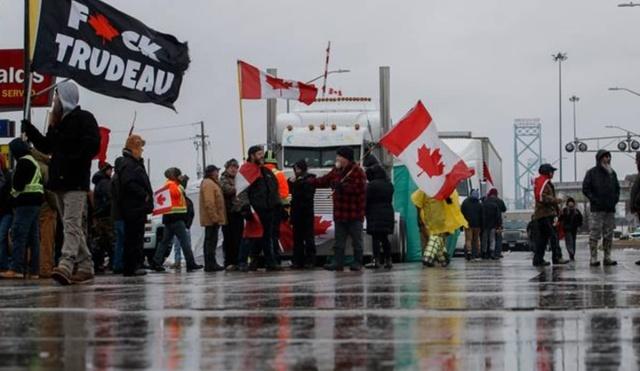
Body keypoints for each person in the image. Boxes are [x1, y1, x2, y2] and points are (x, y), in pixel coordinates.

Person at [21, 81, 101, 285]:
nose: (54, 100)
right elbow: (47, 147)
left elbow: (92, 146)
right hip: (58, 183)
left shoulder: (85, 118)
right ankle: (86, 266)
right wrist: (29, 130)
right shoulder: (56, 122)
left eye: (57, 96)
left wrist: (72, 158)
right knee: (71, 225)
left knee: (72, 224)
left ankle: (66, 263)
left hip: (75, 182)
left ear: (65, 97)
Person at [310, 146, 366, 271]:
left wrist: (342, 187)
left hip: (354, 214)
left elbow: (359, 189)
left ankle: (358, 262)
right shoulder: (336, 171)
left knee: (357, 241)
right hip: (340, 213)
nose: (337, 158)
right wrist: (309, 181)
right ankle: (338, 262)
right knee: (339, 241)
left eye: (339, 156)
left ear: (346, 158)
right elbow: (324, 180)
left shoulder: (357, 171)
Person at [0, 139, 43, 279]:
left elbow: (18, 186)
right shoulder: (33, 161)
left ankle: (16, 269)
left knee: (19, 235)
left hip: (25, 203)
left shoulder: (23, 162)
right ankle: (34, 270)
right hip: (36, 203)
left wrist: (12, 198)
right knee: (34, 237)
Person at [113, 135, 153, 276]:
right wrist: (144, 194)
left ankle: (135, 264)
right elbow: (129, 183)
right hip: (133, 207)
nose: (142, 149)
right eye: (140, 146)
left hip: (135, 207)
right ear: (134, 147)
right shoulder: (129, 164)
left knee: (135, 237)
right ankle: (132, 266)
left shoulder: (131, 163)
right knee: (133, 238)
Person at [151, 168, 202, 272]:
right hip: (176, 218)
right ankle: (191, 263)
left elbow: (181, 189)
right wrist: (181, 182)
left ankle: (156, 262)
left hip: (169, 219)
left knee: (164, 242)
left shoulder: (170, 184)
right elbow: (178, 193)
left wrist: (183, 181)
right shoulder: (172, 185)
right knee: (185, 242)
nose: (181, 176)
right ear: (175, 176)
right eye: (179, 175)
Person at [245, 146, 282, 271]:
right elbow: (243, 191)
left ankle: (269, 262)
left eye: (262, 154)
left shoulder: (266, 171)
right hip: (256, 209)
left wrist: (278, 205)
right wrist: (246, 208)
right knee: (255, 237)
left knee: (267, 236)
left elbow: (274, 187)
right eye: (259, 154)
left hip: (269, 209)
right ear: (252, 155)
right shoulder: (247, 171)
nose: (262, 156)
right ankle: (253, 261)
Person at [582, 149, 620, 267]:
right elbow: (586, 188)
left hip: (610, 208)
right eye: (605, 157)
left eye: (609, 157)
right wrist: (594, 199)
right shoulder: (591, 173)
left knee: (608, 233)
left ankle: (607, 256)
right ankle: (593, 257)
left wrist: (615, 200)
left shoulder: (612, 173)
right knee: (595, 233)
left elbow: (617, 188)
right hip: (597, 209)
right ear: (599, 159)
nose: (607, 159)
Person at [532, 164, 568, 266]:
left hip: (543, 214)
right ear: (547, 172)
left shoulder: (542, 182)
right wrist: (556, 200)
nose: (553, 173)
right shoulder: (543, 182)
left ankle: (538, 260)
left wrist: (557, 210)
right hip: (545, 214)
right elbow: (541, 197)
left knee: (543, 239)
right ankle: (557, 257)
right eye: (552, 171)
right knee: (553, 236)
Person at [364, 164, 395, 269]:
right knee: (385, 238)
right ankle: (388, 260)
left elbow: (366, 200)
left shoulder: (371, 185)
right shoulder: (389, 185)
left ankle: (376, 260)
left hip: (374, 213)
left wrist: (365, 212)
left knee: (376, 238)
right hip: (388, 212)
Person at [288, 160, 316, 269]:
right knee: (297, 239)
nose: (296, 171)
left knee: (308, 238)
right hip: (296, 213)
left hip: (306, 213)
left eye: (298, 169)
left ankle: (310, 260)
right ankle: (297, 260)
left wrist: (297, 183)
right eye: (295, 169)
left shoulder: (309, 180)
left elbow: (307, 195)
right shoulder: (296, 181)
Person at [200, 165, 227, 272]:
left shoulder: (211, 183)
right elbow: (209, 202)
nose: (218, 173)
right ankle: (210, 264)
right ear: (211, 172)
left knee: (211, 241)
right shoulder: (208, 183)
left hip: (212, 219)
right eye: (216, 171)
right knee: (210, 241)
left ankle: (211, 263)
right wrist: (215, 217)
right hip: (211, 220)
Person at [264, 150, 289, 264]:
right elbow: (284, 194)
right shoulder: (279, 174)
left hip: (262, 209)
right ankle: (275, 257)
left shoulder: (259, 172)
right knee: (274, 233)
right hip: (276, 208)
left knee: (263, 233)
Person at [220, 159, 243, 269]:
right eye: (232, 167)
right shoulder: (223, 179)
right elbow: (227, 190)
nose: (234, 169)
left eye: (236, 167)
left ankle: (238, 260)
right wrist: (239, 188)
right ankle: (229, 261)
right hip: (228, 213)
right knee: (229, 239)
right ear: (227, 168)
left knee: (238, 238)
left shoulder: (238, 179)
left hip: (238, 212)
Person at [91, 163, 114, 273]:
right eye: (110, 170)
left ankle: (97, 264)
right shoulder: (105, 183)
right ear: (106, 170)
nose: (111, 172)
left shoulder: (99, 182)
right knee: (109, 241)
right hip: (106, 215)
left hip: (99, 215)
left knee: (100, 241)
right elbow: (110, 198)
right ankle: (112, 263)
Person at [481, 188, 506, 260]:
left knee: (485, 239)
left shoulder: (485, 202)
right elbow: (504, 209)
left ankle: (486, 253)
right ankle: (496, 253)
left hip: (485, 224)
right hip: (495, 224)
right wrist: (499, 225)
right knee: (496, 239)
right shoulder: (499, 201)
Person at [461, 189, 483, 261]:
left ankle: (469, 252)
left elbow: (461, 214)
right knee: (476, 239)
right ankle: (476, 253)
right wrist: (482, 225)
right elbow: (482, 216)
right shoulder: (479, 204)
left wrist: (462, 224)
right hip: (477, 225)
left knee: (468, 239)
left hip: (467, 224)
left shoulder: (465, 203)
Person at [0, 154, 13, 272]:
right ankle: (3, 264)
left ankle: (4, 264)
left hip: (6, 211)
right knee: (2, 237)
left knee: (2, 236)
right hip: (6, 210)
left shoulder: (7, 176)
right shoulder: (8, 174)